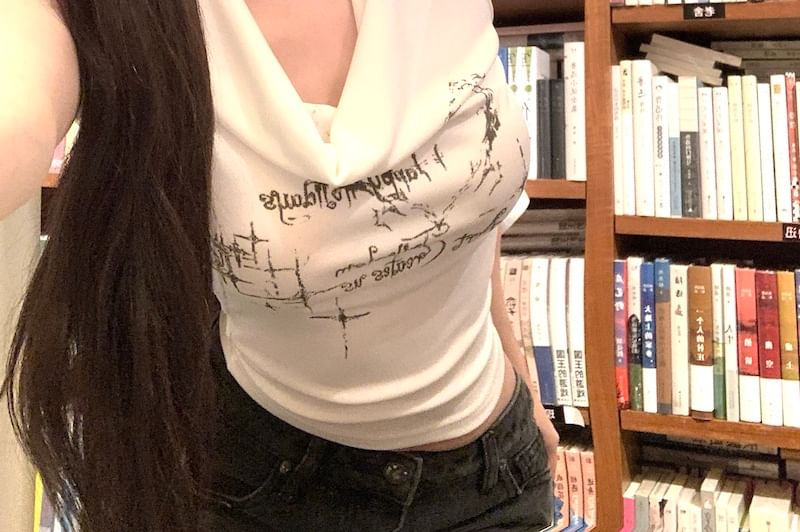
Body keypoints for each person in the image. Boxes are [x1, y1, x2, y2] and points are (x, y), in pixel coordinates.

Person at [0, 0, 560, 530]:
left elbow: (465, 204)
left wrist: (522, 386)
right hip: (268, 488)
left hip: (495, 477)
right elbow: (19, 100)